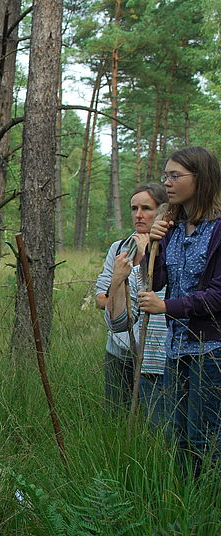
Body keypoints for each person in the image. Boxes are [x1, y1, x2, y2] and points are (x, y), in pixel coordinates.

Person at [139, 146, 221, 478]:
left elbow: (218, 295)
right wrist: (152, 244)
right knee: (179, 435)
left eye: (176, 176)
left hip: (211, 349)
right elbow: (157, 278)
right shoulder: (172, 225)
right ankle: (183, 503)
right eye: (166, 176)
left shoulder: (218, 229)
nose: (167, 183)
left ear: (200, 179)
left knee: (206, 437)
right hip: (177, 348)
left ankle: (208, 509)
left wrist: (168, 307)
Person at [96, 184, 167, 412]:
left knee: (152, 419)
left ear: (162, 211)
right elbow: (101, 298)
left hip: (154, 353)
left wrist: (147, 257)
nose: (138, 215)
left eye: (146, 208)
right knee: (115, 415)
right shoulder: (120, 249)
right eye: (134, 208)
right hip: (119, 348)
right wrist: (117, 284)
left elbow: (155, 295)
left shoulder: (168, 249)